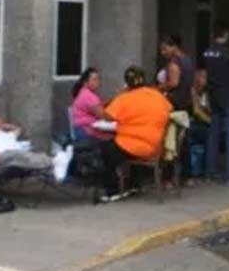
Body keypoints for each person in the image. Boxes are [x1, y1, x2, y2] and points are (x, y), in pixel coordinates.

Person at [0, 111, 73, 216]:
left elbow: (18, 129)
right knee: (15, 154)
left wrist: (5, 126)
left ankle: (54, 163)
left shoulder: (7, 135)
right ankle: (55, 162)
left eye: (0, 119)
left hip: (18, 161)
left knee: (24, 154)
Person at [99, 66, 173, 203]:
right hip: (155, 147)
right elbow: (170, 109)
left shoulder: (124, 98)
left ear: (127, 83)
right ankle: (133, 184)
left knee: (106, 150)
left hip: (132, 145)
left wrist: (120, 95)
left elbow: (107, 117)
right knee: (118, 149)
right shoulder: (156, 95)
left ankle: (112, 191)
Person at [202, 24, 229, 185]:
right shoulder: (228, 53)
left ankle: (210, 172)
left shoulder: (207, 52)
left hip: (214, 96)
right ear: (226, 35)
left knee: (213, 135)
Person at [70, 67, 113, 142]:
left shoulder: (83, 92)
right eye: (94, 79)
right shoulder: (88, 96)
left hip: (80, 129)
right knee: (115, 138)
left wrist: (109, 102)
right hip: (86, 132)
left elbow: (97, 106)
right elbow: (104, 116)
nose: (98, 82)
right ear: (85, 82)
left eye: (98, 79)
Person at [185, 68, 211, 181]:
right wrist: (211, 122)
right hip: (190, 123)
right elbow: (196, 111)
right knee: (209, 135)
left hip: (200, 123)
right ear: (197, 78)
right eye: (204, 77)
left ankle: (205, 169)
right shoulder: (192, 90)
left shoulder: (205, 92)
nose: (206, 80)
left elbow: (208, 109)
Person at [158, 35, 195, 113]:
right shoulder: (188, 59)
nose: (162, 53)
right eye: (161, 50)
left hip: (175, 103)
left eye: (165, 49)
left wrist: (157, 88)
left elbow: (173, 83)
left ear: (174, 46)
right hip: (187, 101)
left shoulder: (174, 62)